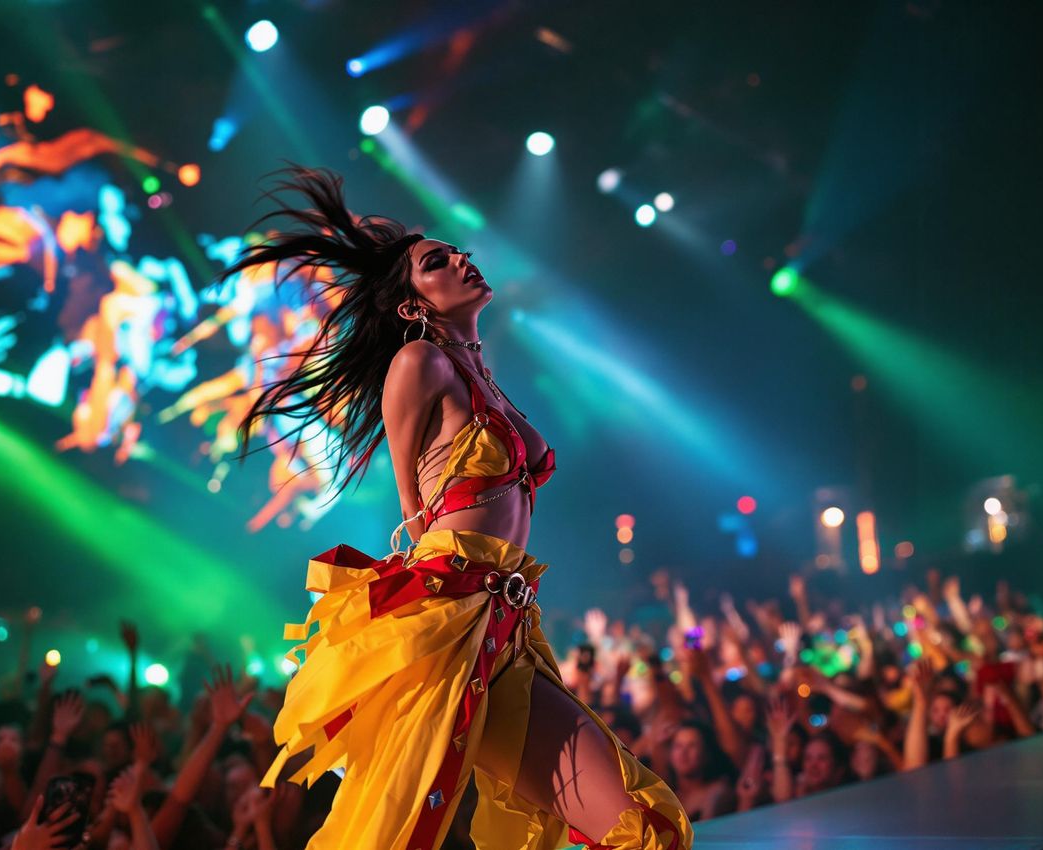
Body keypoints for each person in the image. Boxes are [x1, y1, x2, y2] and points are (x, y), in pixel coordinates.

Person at [219, 164, 692, 849]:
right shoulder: (420, 364)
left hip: (507, 628)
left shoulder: (479, 372)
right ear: (412, 303)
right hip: (452, 621)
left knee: (648, 827)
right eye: (436, 263)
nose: (461, 261)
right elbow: (415, 511)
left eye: (457, 252)